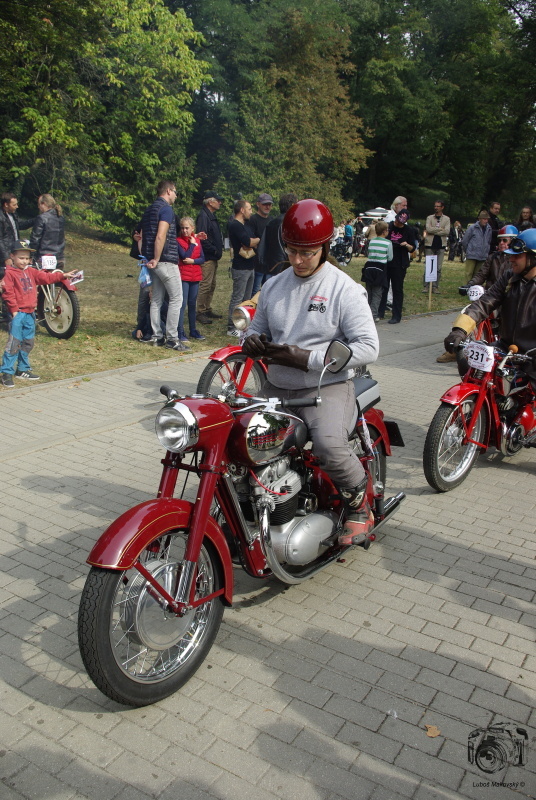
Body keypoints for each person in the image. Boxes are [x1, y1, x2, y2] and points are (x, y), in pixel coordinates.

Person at [242, 199, 379, 546]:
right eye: (292, 251)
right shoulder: (274, 285)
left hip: (327, 387)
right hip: (276, 386)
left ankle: (360, 505)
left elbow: (369, 347)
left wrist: (310, 358)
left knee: (329, 446)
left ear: (325, 247)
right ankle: (252, 508)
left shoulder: (344, 289)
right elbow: (253, 328)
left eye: (308, 252)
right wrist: (253, 341)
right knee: (240, 444)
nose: (298, 260)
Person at [444, 229, 536, 386]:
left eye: (517, 255)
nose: (511, 259)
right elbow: (484, 302)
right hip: (505, 349)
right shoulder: (509, 277)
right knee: (472, 371)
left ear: (533, 258)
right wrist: (459, 330)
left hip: (532, 358)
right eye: (511, 254)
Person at [1, 241, 76, 387]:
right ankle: (6, 372)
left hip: (30, 314)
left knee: (28, 342)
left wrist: (62, 275)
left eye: (27, 258)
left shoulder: (31, 271)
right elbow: (8, 293)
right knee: (13, 344)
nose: (24, 261)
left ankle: (22, 369)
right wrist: (14, 311)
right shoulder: (9, 274)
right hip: (19, 314)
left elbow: (46, 278)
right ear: (12, 257)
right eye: (21, 258)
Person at [140, 179, 185, 351]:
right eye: (175, 192)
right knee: (176, 298)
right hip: (165, 259)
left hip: (151, 261)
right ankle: (172, 339)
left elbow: (141, 235)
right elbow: (161, 235)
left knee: (157, 300)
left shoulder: (149, 209)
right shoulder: (166, 209)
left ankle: (157, 336)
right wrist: (157, 257)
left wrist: (148, 258)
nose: (175, 195)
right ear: (168, 191)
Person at [226, 199, 260, 337]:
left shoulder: (245, 225)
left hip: (250, 265)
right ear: (242, 210)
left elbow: (251, 242)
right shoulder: (235, 225)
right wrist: (256, 240)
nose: (251, 212)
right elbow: (249, 241)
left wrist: (253, 241)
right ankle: (231, 326)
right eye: (249, 208)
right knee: (237, 297)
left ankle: (243, 324)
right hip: (240, 267)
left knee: (247, 299)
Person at [377, 209, 415, 324]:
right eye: (398, 221)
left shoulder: (408, 230)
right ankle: (380, 312)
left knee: (397, 289)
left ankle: (396, 315)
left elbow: (413, 248)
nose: (399, 223)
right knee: (384, 287)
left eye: (402, 222)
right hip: (386, 261)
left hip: (400, 263)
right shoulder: (389, 227)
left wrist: (406, 245)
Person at [196, 190, 224, 325]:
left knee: (211, 284)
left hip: (213, 257)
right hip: (207, 257)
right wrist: (214, 250)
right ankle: (200, 311)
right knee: (205, 285)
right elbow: (202, 238)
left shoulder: (210, 215)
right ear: (210, 202)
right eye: (218, 200)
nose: (220, 202)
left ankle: (206, 308)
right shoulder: (203, 216)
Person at [256, 192, 298, 277]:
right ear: (293, 205)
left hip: (271, 267)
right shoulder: (291, 223)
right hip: (285, 266)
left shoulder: (271, 223)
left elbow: (263, 246)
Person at [177, 217, 204, 344]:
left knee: (192, 303)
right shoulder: (178, 241)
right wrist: (192, 245)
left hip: (195, 275)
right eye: (182, 228)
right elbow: (184, 256)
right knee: (182, 304)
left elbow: (202, 258)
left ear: (192, 228)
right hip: (184, 276)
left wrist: (193, 261)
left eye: (187, 228)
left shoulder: (198, 240)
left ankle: (193, 330)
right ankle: (180, 331)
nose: (184, 230)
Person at [362, 220, 392, 322]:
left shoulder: (372, 241)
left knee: (369, 292)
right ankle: (373, 315)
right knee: (377, 293)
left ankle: (366, 313)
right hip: (380, 268)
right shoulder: (388, 243)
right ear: (384, 231)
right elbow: (390, 257)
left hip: (369, 267)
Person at [0, 192, 34, 279]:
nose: (17, 206)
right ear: (6, 204)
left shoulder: (13, 214)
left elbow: (21, 224)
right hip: (4, 254)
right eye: (14, 204)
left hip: (13, 251)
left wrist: (36, 220)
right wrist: (6, 257)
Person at [29, 194, 65, 266]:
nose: (38, 207)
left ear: (44, 204)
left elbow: (35, 239)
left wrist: (31, 256)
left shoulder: (41, 218)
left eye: (39, 204)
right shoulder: (61, 218)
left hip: (44, 257)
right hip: (59, 256)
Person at [422, 200, 450, 293]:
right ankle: (426, 286)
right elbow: (428, 229)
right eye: (435, 206)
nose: (436, 208)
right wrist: (439, 229)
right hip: (430, 245)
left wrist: (434, 230)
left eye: (438, 206)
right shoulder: (429, 218)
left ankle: (435, 286)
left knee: (438, 268)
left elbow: (446, 231)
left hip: (441, 245)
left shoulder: (446, 219)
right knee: (428, 266)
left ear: (442, 207)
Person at [250, 193, 274, 294]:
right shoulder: (253, 219)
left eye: (269, 204)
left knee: (268, 290)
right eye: (265, 204)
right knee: (255, 290)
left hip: (269, 262)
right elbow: (250, 240)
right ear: (258, 204)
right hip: (257, 261)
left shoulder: (272, 220)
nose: (267, 206)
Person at [462, 211, 492, 282]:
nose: (486, 221)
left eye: (487, 219)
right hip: (472, 254)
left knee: (478, 274)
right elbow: (465, 241)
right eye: (484, 219)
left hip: (483, 256)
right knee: (469, 273)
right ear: (480, 219)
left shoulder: (489, 229)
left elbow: (489, 241)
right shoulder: (472, 228)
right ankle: (466, 288)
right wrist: (468, 251)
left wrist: (486, 250)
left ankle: (475, 289)